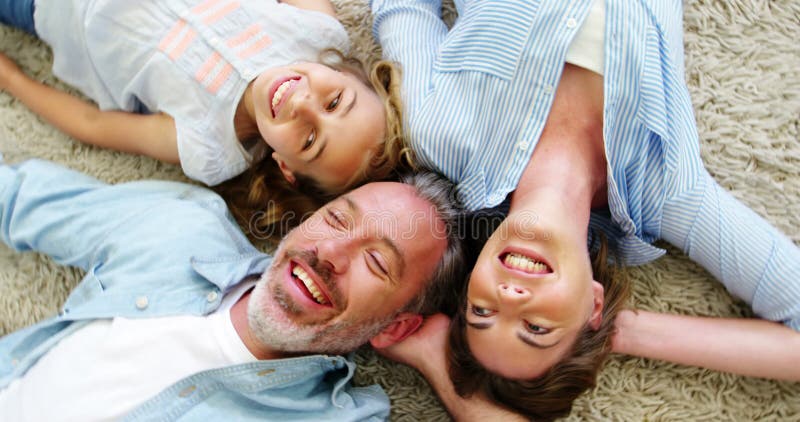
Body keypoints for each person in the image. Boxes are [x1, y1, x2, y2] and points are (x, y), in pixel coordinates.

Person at [370, 0, 800, 420]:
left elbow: (403, 9)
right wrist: (619, 330)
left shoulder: (441, 136)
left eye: (481, 312)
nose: (508, 297)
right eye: (537, 328)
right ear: (593, 306)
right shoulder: (667, 193)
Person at [0, 157, 465, 420]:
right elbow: (18, 199)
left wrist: (441, 367)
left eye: (376, 261)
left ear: (398, 326)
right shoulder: (183, 228)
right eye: (337, 219)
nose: (330, 253)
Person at [0, 0, 407, 242]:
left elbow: (93, 124)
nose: (302, 105)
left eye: (309, 140)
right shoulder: (318, 33)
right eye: (335, 101)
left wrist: (13, 79)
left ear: (286, 167)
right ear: (346, 74)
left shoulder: (209, 147)